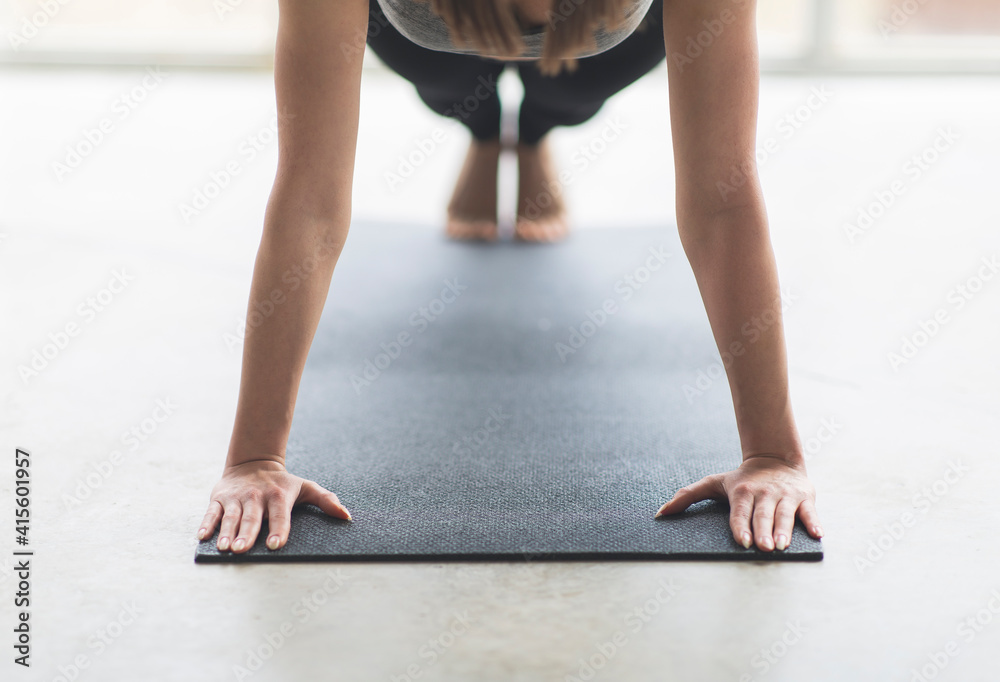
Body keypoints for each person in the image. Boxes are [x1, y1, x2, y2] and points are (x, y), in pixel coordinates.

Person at [196, 0, 823, 555]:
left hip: (602, 43)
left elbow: (721, 206)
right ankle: (481, 128)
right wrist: (254, 459)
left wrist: (772, 454)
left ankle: (533, 134)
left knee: (570, 88)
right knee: (450, 77)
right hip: (429, 34)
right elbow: (311, 203)